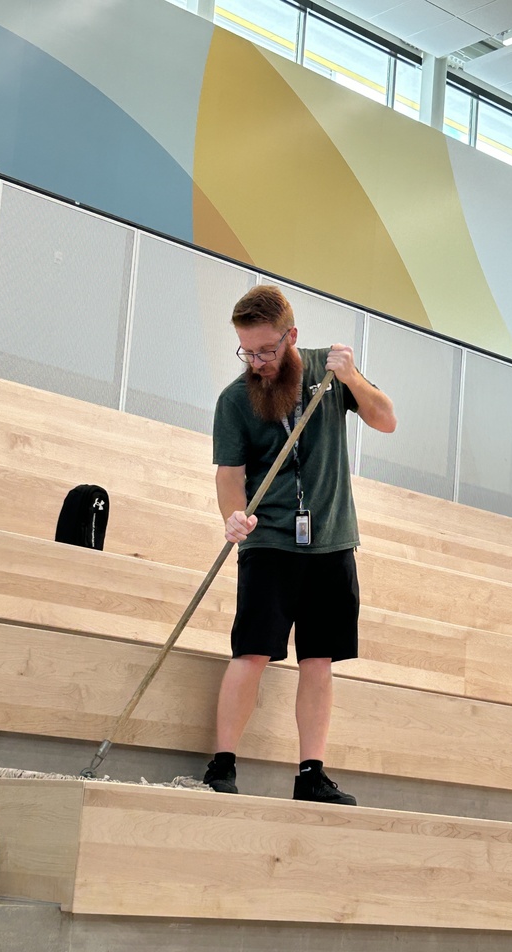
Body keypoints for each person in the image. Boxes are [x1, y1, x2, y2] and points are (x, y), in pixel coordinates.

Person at [204, 285, 396, 804]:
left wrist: (352, 378)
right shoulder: (234, 399)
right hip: (269, 541)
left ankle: (311, 773)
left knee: (318, 660)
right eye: (247, 351)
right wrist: (233, 517)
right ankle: (222, 764)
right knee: (251, 652)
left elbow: (386, 420)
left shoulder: (329, 373)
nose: (258, 362)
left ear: (291, 336)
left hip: (331, 540)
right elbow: (229, 475)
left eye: (267, 350)